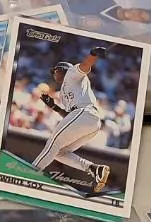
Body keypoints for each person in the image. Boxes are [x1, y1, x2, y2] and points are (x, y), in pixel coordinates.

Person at [28, 47, 115, 194]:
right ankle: (94, 168)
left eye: (55, 70)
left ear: (62, 69)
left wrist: (93, 54)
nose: (53, 73)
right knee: (59, 152)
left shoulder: (71, 74)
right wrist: (54, 107)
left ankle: (31, 172)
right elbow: (71, 118)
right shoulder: (63, 92)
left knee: (53, 143)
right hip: (89, 122)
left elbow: (85, 66)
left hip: (85, 113)